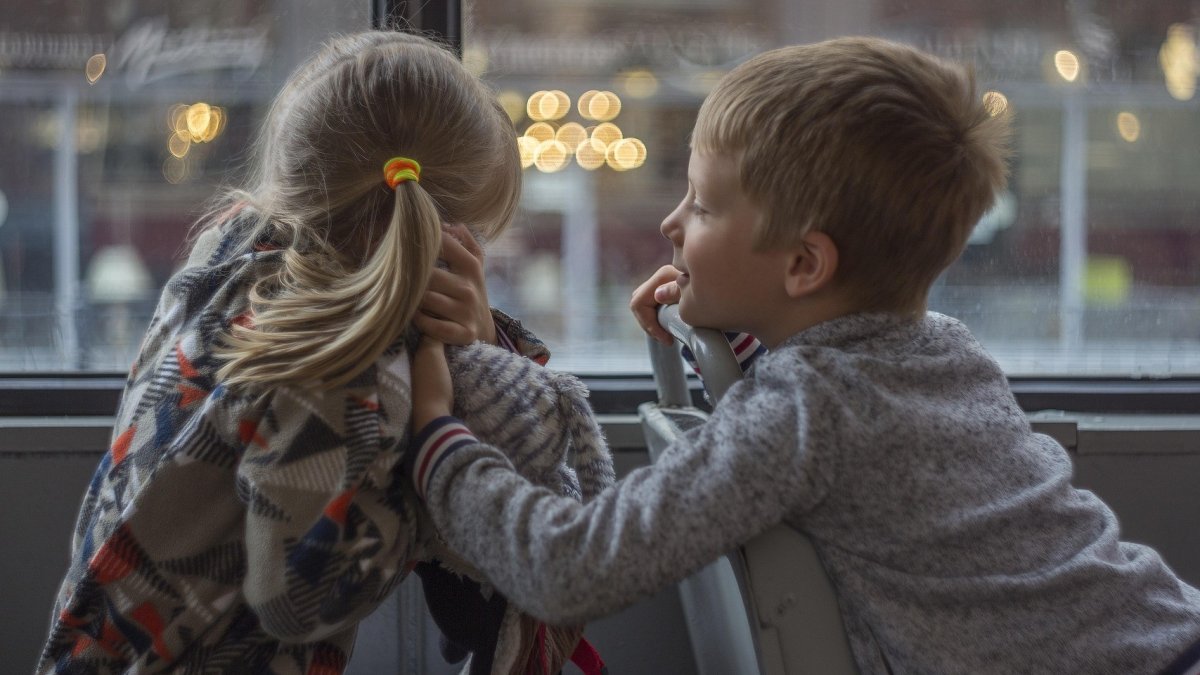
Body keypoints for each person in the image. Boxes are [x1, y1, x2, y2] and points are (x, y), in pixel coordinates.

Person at [407, 36, 1200, 674]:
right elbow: (844, 399)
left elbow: (569, 567)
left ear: (804, 267)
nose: (672, 225)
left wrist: (442, 441)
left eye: (704, 205)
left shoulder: (800, 416)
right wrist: (728, 337)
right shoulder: (939, 349)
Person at [36, 30, 555, 673]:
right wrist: (438, 430)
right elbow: (298, 600)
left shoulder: (231, 250)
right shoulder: (340, 361)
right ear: (441, 246)